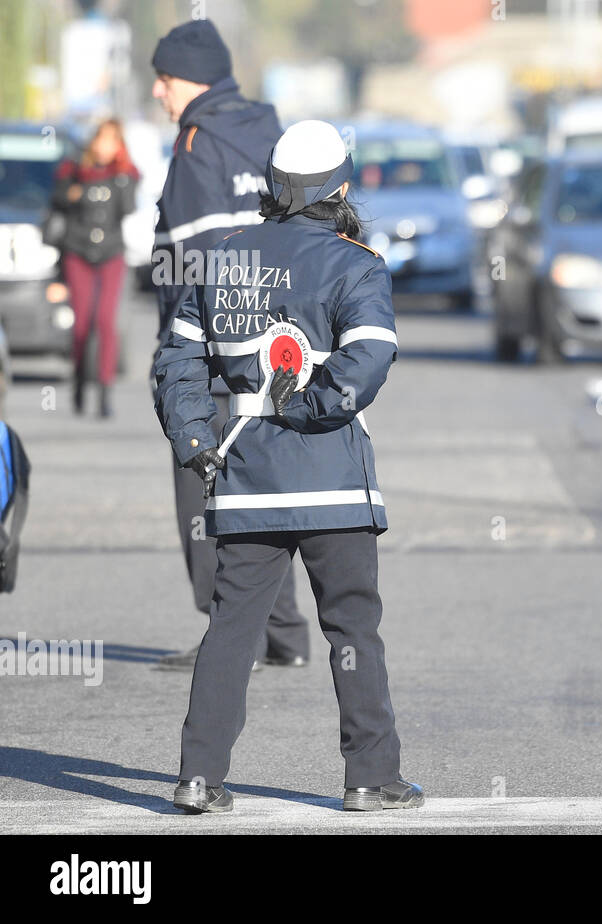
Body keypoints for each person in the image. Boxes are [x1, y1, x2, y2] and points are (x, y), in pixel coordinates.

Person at [153, 119, 422, 813]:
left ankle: (197, 775)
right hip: (333, 481)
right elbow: (370, 359)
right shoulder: (357, 263)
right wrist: (312, 406)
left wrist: (191, 441)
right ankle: (370, 779)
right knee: (352, 629)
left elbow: (176, 362)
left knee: (231, 628)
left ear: (273, 186)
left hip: (245, 480)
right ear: (339, 186)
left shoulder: (221, 259)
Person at [148, 18, 307, 671]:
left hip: (213, 352)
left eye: (162, 80)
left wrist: (178, 352)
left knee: (204, 484)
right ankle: (286, 634)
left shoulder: (195, 144)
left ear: (188, 80)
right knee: (262, 487)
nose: (158, 93)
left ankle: (228, 634)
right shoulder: (268, 133)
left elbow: (190, 261)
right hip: (280, 347)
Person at [50, 118, 138, 417]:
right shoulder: (75, 169)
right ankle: (78, 381)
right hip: (78, 252)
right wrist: (75, 190)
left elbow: (127, 208)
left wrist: (122, 171)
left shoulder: (124, 174)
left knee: (105, 322)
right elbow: (58, 198)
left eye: (113, 141)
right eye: (102, 139)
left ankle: (104, 390)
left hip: (111, 254)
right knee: (82, 325)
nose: (105, 147)